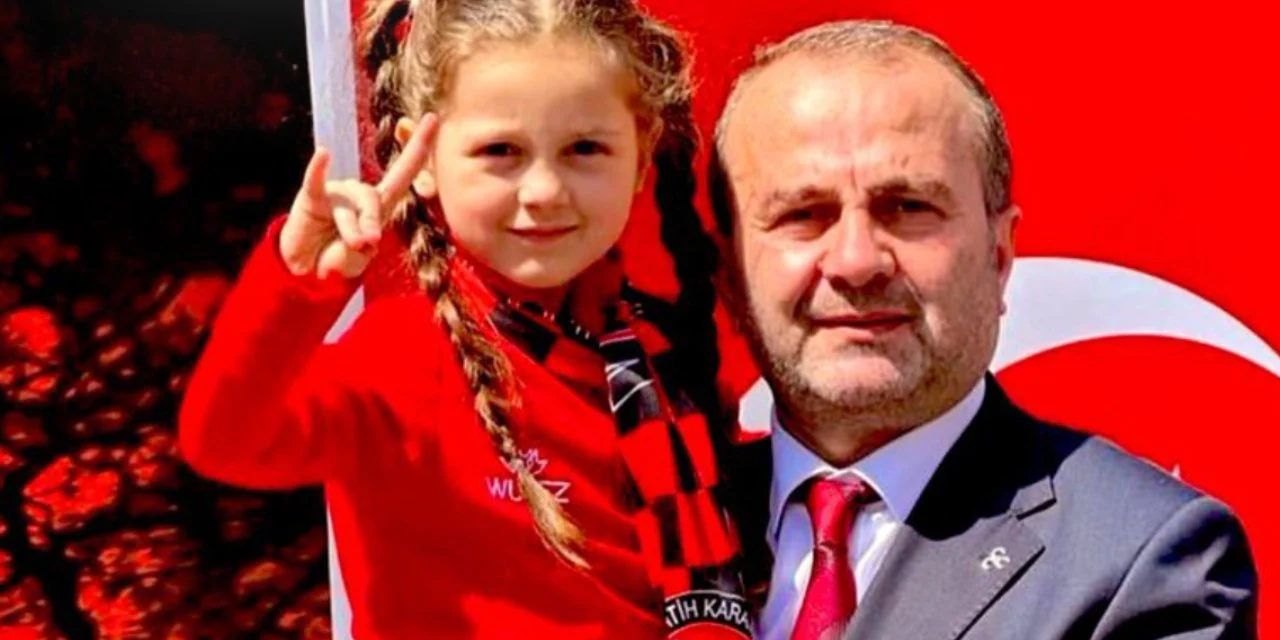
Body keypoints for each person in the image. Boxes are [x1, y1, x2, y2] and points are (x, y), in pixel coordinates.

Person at [179, 0, 751, 637]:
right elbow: (225, 441)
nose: (544, 191)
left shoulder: (671, 359)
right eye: (501, 150)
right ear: (421, 158)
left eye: (584, 148)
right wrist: (298, 286)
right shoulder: (398, 355)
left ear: (641, 155)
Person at [708, 20, 1258, 640]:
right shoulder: (644, 530)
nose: (857, 261)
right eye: (803, 214)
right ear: (728, 275)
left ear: (999, 255)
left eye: (908, 207)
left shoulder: (1149, 562)